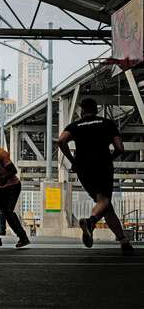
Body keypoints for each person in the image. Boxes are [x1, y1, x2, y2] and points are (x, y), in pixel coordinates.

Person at [58, 98, 133, 253]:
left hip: (83, 169)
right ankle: (90, 222)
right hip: (102, 166)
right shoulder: (107, 123)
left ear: (82, 111)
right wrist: (110, 158)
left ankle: (124, 241)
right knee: (104, 201)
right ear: (97, 109)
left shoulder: (75, 125)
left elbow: (61, 141)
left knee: (104, 205)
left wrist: (73, 160)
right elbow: (120, 147)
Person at [0, 132, 30, 248]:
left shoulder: (1, 154)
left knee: (7, 211)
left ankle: (23, 238)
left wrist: (4, 178)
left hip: (13, 186)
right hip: (1, 188)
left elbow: (13, 171)